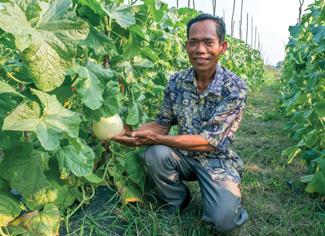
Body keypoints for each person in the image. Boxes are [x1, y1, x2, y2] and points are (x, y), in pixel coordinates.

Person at [113, 13, 248, 233]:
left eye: (208, 42)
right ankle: (177, 199)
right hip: (183, 157)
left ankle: (223, 197)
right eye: (193, 42)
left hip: (217, 161)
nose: (200, 50)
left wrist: (159, 138)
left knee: (224, 220)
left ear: (222, 47)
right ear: (186, 46)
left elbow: (209, 143)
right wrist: (130, 132)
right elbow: (161, 124)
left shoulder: (234, 87)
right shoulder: (176, 81)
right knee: (154, 154)